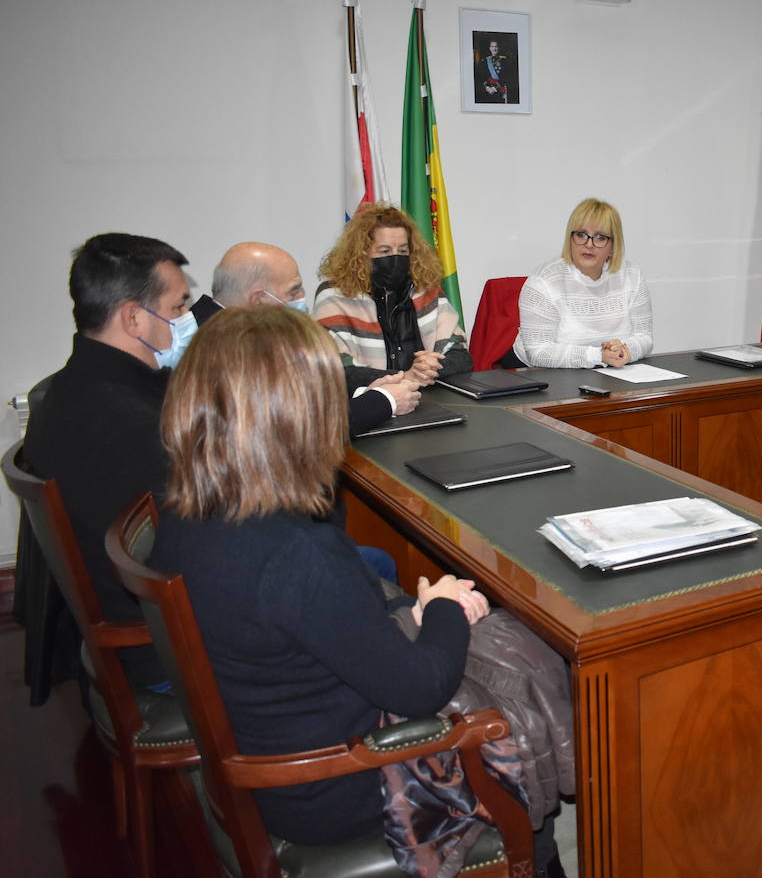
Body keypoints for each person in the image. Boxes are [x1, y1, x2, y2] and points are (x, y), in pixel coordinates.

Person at [145, 307, 511, 860]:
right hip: (336, 787)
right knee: (521, 682)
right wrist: (442, 608)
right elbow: (419, 689)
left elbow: (313, 625)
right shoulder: (296, 551)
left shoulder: (187, 504)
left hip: (272, 748)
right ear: (298, 413)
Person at [23, 232, 192, 687]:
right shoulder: (130, 424)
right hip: (162, 644)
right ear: (134, 318)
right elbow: (200, 551)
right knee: (350, 569)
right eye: (178, 307)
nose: (186, 318)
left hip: (136, 616)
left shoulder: (66, 389)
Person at [195, 241, 421, 436]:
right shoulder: (214, 347)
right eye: (293, 292)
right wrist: (383, 401)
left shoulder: (237, 330)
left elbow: (296, 401)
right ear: (258, 299)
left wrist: (364, 394)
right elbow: (292, 428)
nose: (302, 298)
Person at [313, 203, 473, 382]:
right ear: (361, 253)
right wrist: (405, 377)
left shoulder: (425, 289)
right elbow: (336, 370)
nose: (396, 257)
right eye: (385, 251)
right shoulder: (335, 296)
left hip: (426, 400)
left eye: (403, 250)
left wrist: (430, 368)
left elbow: (460, 356)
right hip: (368, 404)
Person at [514, 198, 653, 368]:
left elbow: (644, 337)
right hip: (535, 374)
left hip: (610, 372)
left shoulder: (632, 276)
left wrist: (624, 350)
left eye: (600, 237)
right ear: (570, 238)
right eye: (581, 235)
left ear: (613, 246)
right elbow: (538, 352)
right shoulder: (543, 282)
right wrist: (598, 356)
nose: (589, 244)